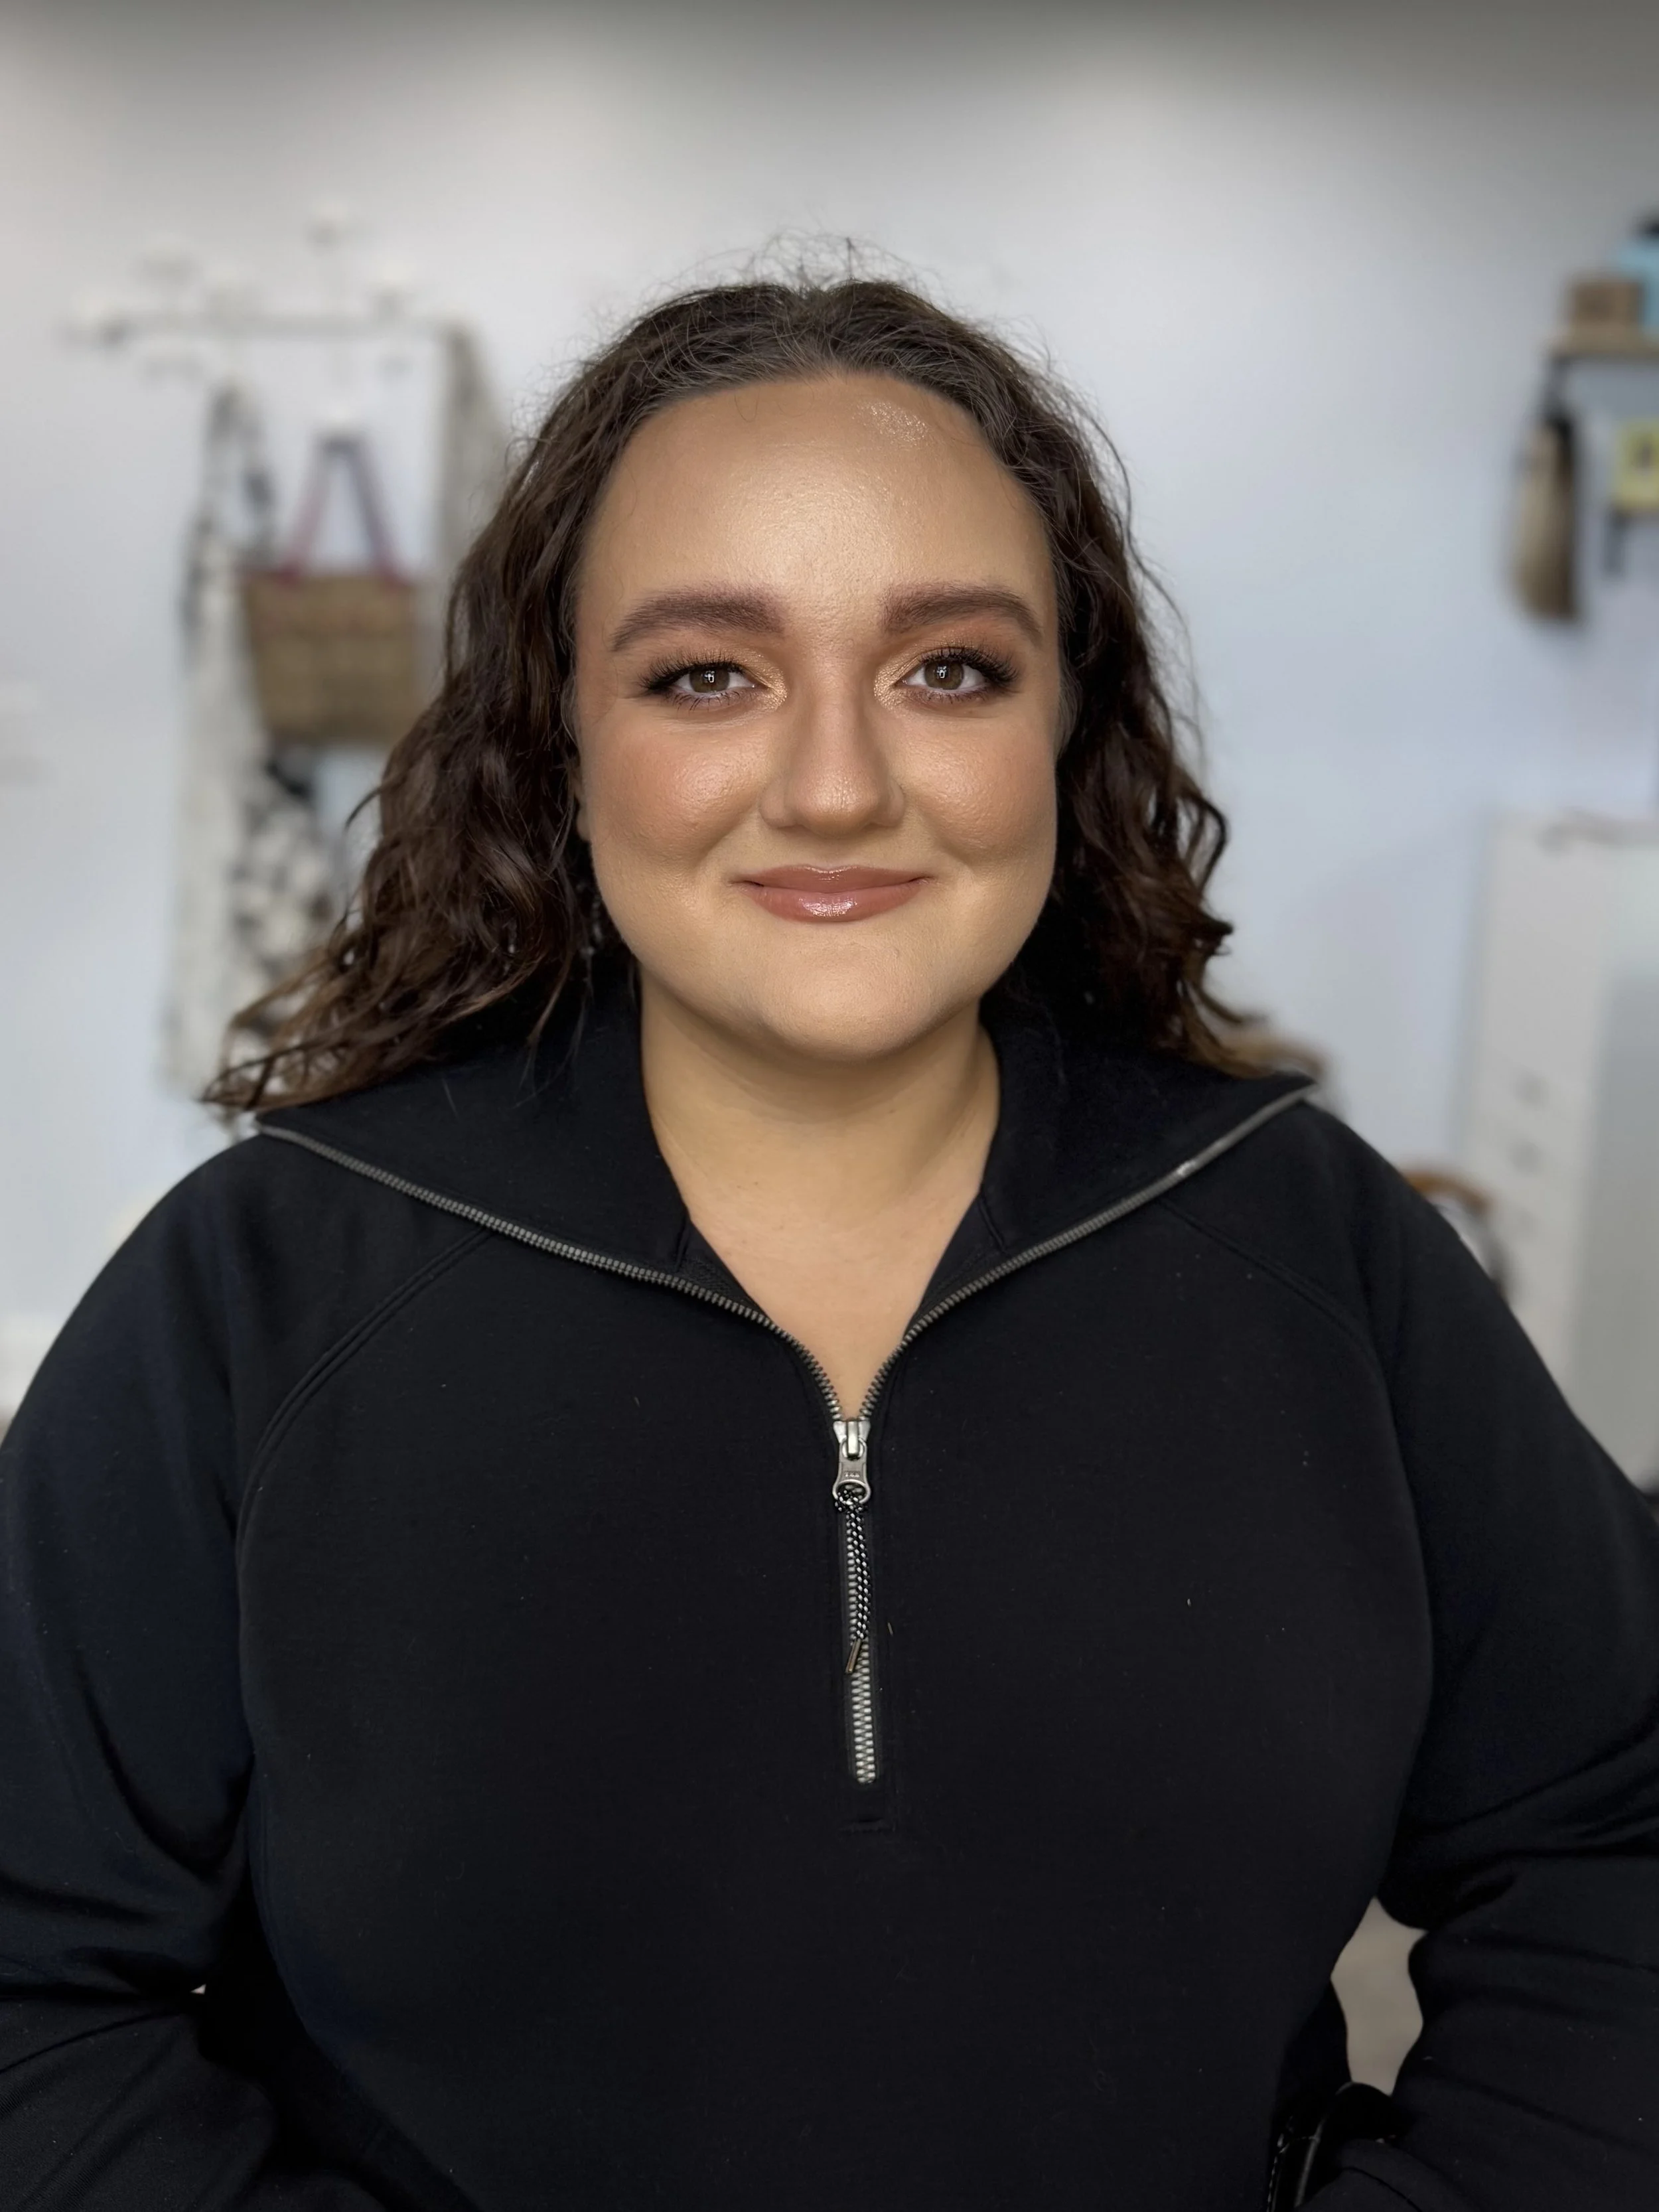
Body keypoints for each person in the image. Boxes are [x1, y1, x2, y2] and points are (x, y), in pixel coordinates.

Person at [2, 273, 1656, 2212]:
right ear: (559, 742)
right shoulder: (255, 1294)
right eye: (706, 671)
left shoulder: (1316, 1250)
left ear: (1068, 719)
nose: (836, 784)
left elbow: (1608, 1841)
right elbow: (33, 1988)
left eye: (948, 666)